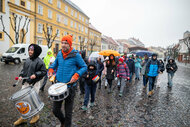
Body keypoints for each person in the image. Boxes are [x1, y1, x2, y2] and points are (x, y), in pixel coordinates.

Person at [48, 35, 87, 127]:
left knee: (68, 113)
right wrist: (50, 70)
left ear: (69, 44)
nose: (63, 45)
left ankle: (67, 124)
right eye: (62, 43)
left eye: (66, 43)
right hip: (59, 86)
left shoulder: (76, 55)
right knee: (55, 110)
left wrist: (76, 75)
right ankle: (63, 121)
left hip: (70, 87)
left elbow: (84, 67)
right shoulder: (59, 54)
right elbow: (54, 64)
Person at [14, 44, 46, 126]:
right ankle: (23, 117)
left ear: (36, 52)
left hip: (34, 84)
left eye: (31, 50)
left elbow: (43, 72)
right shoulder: (27, 60)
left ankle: (36, 115)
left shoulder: (40, 61)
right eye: (29, 50)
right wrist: (21, 75)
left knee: (32, 101)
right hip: (25, 83)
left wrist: (36, 74)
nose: (30, 51)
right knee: (22, 101)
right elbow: (23, 70)